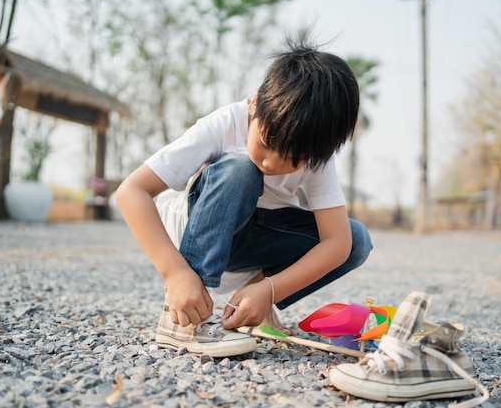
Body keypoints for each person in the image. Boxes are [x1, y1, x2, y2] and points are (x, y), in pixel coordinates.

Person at [115, 36, 373, 357]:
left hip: (255, 241)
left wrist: (269, 290)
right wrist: (176, 273)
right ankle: (183, 317)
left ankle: (255, 306)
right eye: (266, 144)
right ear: (254, 105)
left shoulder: (316, 151)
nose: (272, 163)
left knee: (357, 239)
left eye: (293, 160)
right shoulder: (224, 124)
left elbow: (338, 243)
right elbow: (131, 192)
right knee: (243, 168)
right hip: (196, 239)